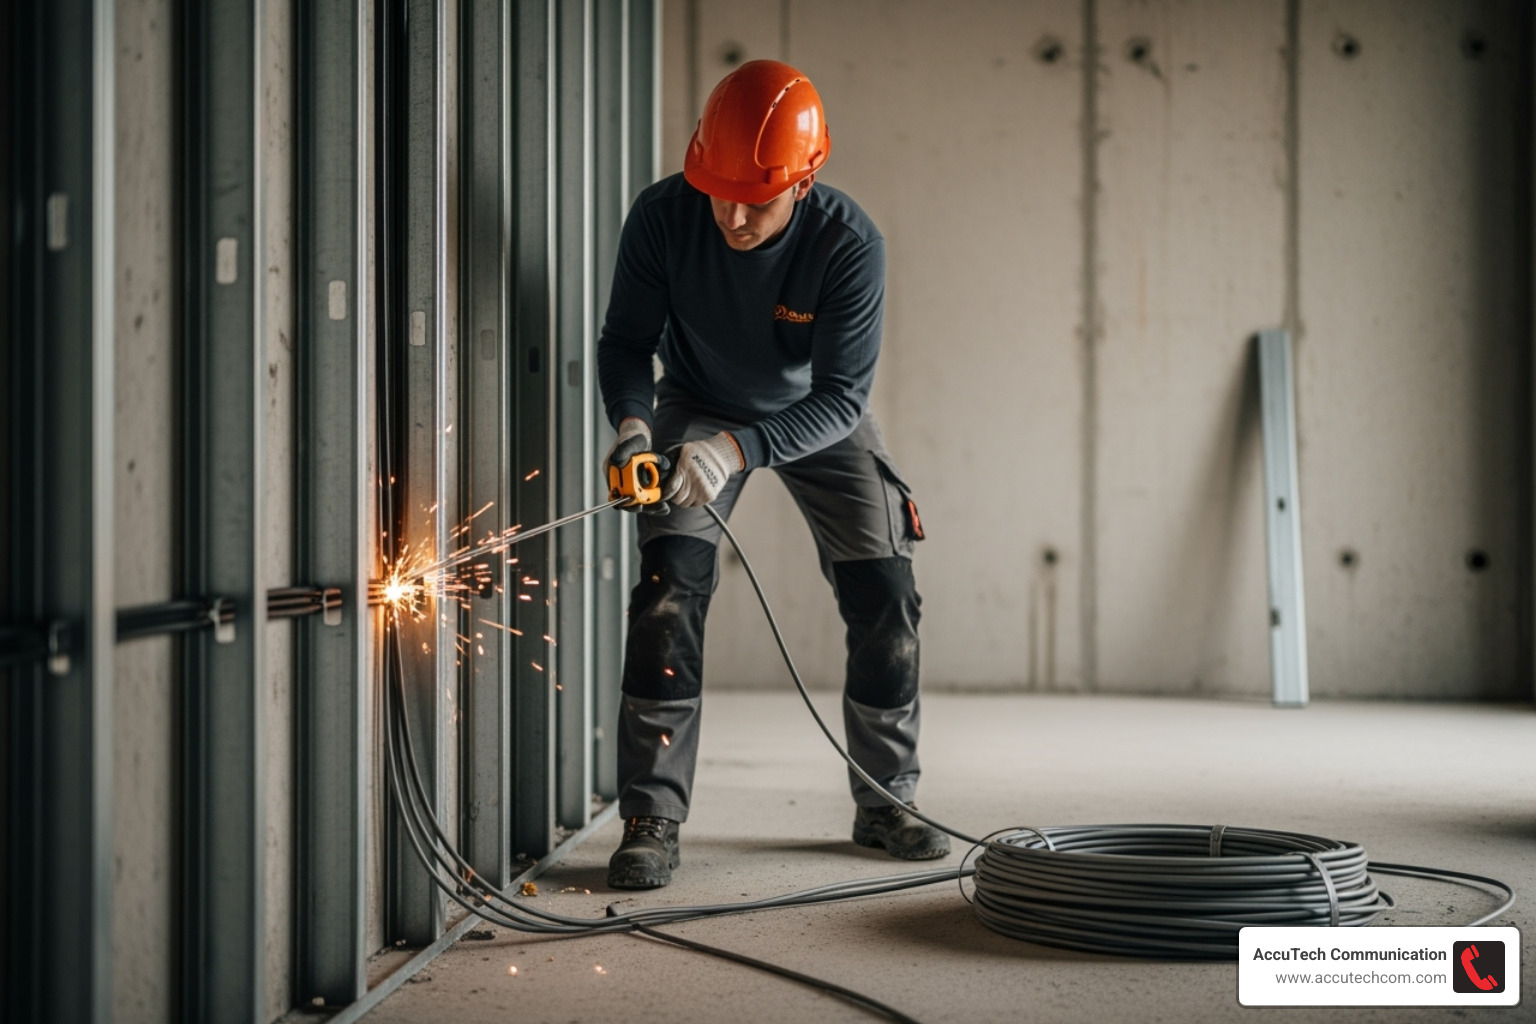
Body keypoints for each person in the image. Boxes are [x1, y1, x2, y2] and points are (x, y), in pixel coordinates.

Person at [597, 59, 947, 891]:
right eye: (718, 191)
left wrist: (734, 452)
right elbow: (624, 343)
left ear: (806, 177)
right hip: (694, 403)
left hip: (815, 418)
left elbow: (840, 398)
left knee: (885, 593)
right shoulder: (662, 217)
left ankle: (885, 798)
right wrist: (635, 430)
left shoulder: (849, 243)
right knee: (666, 594)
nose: (734, 214)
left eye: (757, 197)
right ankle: (652, 815)